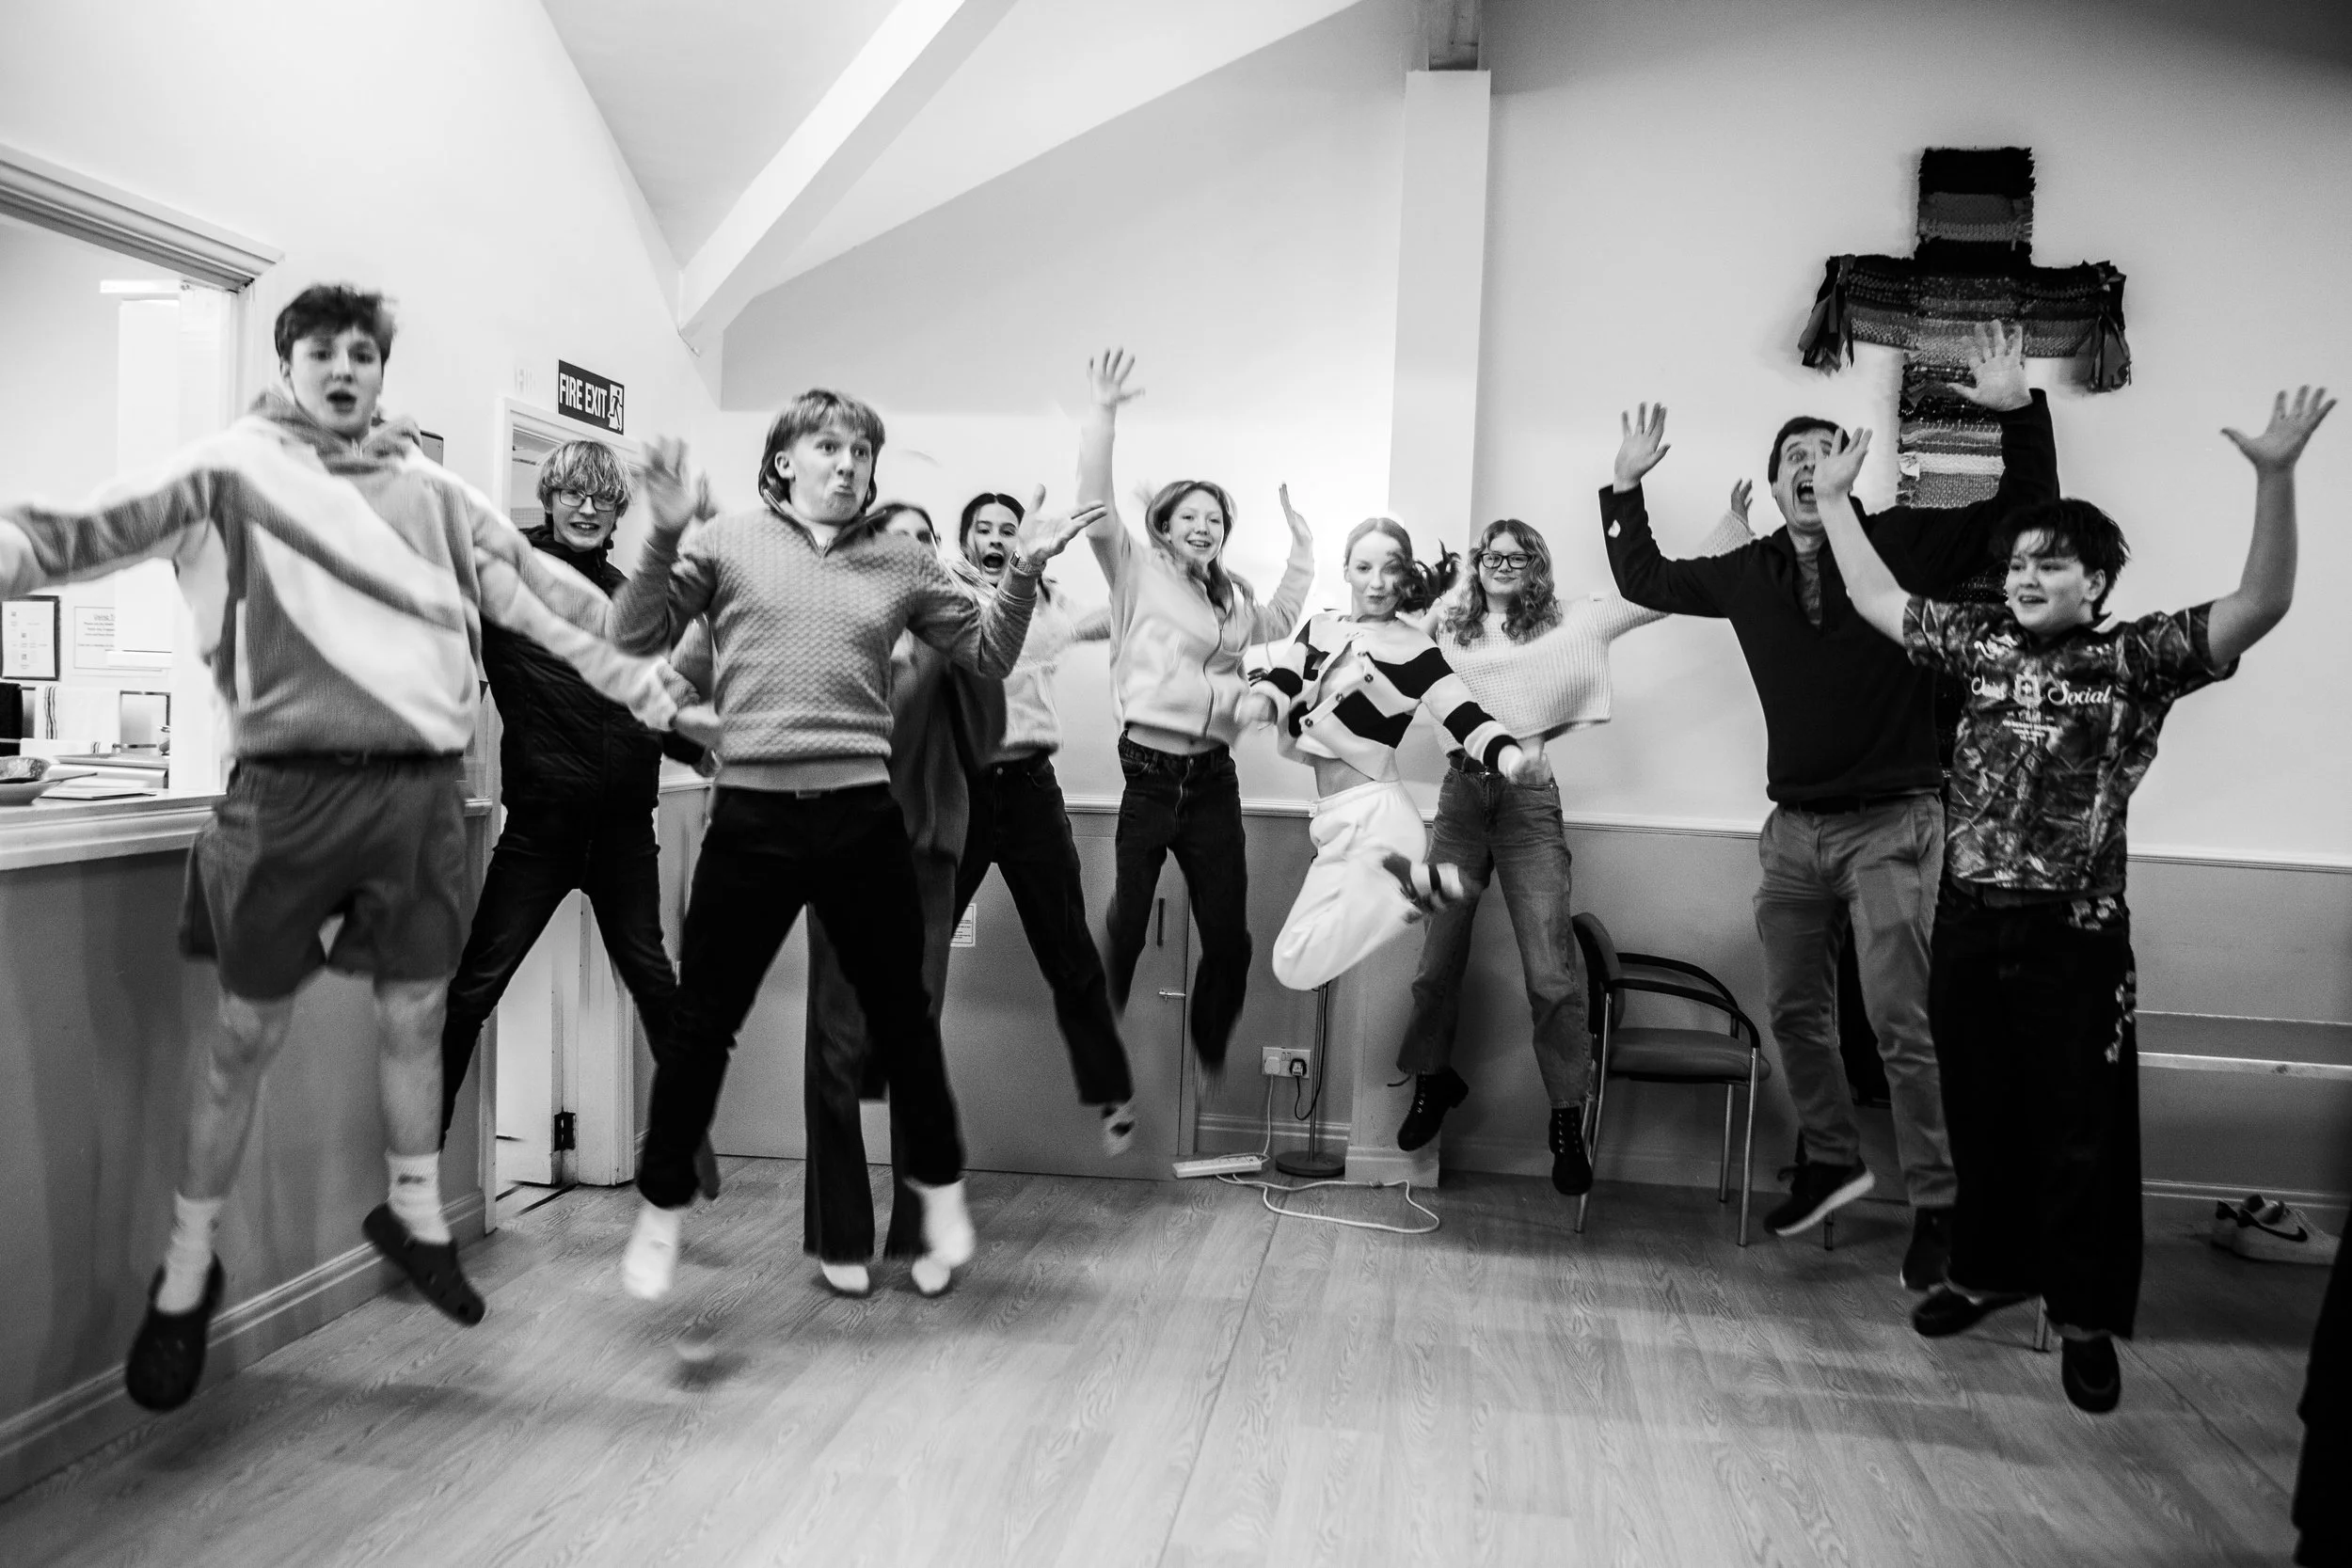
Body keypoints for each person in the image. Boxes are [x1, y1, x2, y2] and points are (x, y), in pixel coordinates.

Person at [0, 283, 705, 1412]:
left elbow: (590, 622)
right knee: (260, 1029)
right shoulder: (232, 472)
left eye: (362, 353)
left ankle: (425, 1209)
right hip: (318, 797)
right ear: (288, 365)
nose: (342, 369)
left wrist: (667, 607)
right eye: (321, 351)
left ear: (381, 370)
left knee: (439, 1008)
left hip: (455, 804)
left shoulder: (442, 502)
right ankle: (188, 1267)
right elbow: (66, 535)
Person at [1809, 386, 2330, 1412]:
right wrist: (1833, 503)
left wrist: (2274, 476)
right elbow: (1876, 599)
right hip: (1968, 918)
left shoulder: (2134, 657)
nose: (2024, 576)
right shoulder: (1977, 643)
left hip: (2075, 933)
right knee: (1978, 1111)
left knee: (2081, 1130)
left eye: (2048, 562)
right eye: (2016, 563)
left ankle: (2086, 1318)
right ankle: (1988, 1271)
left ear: (2094, 581)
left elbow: (2260, 604)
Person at [610, 392, 1099, 1303]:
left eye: (861, 451)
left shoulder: (902, 566)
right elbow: (634, 638)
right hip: (755, 815)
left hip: (872, 819)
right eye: (826, 446)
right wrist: (664, 532)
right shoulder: (729, 544)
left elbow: (990, 657)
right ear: (784, 459)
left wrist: (1025, 569)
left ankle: (926, 1220)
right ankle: (791, 1225)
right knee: (740, 1024)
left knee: (908, 1028)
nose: (846, 463)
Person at [1601, 322, 2054, 1290]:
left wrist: (2019, 411)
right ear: (1774, 488)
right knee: (1795, 1011)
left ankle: (1941, 1208)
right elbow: (1644, 577)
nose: (1808, 467)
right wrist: (1624, 487)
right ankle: (1833, 1159)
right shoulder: (1749, 570)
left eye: (1824, 451)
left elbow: (2026, 512)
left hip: (1894, 824)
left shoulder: (1901, 543)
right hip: (1793, 833)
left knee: (1901, 1027)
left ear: (1851, 465)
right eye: (1792, 460)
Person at [1391, 499, 1754, 1194]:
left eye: (1517, 555)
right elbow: (1382, 651)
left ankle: (1566, 1117)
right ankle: (1433, 1080)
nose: (1501, 564)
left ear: (1536, 566)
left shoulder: (1569, 620)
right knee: (1435, 965)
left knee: (1551, 976)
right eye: (1491, 554)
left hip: (1528, 804)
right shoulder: (1446, 626)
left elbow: (1651, 596)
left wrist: (1729, 530)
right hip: (1461, 799)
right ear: (1477, 564)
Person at [437, 438, 720, 1202]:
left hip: (625, 831)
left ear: (620, 511)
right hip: (542, 829)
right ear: (549, 498)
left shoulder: (636, 602)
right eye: (573, 493)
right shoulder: (504, 579)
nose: (588, 508)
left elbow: (658, 708)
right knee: (473, 990)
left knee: (657, 985)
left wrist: (706, 750)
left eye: (603, 498)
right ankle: (420, 1160)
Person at [1076, 350, 1314, 1071]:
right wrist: (1103, 414)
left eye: (1215, 518)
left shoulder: (1230, 597)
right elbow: (1096, 507)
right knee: (1126, 927)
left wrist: (1303, 551)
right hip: (1151, 772)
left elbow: (1277, 621)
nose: (1204, 526)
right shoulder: (1134, 571)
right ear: (1164, 526)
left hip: (1213, 779)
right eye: (1190, 516)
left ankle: (1209, 1053)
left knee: (1231, 941)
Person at [788, 501, 999, 1298]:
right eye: (895, 539)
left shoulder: (953, 633)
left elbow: (988, 734)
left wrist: (968, 630)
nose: (913, 551)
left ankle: (921, 1232)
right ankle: (840, 1233)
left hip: (924, 861)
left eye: (925, 541)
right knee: (836, 1047)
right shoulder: (831, 631)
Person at [1244, 515, 1537, 991]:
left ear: (1406, 575)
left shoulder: (1416, 648)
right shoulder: (1320, 626)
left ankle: (1408, 891)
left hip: (1377, 821)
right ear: (1346, 570)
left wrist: (1510, 758)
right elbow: (1286, 677)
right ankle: (1414, 890)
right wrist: (1259, 702)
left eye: (1391, 568)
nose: (1377, 583)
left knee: (1297, 965)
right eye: (1364, 567)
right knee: (1292, 963)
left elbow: (1467, 718)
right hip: (1332, 820)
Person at [949, 490, 1136, 1152]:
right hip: (960, 789)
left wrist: (1157, 578)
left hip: (1030, 788)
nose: (997, 539)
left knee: (1068, 947)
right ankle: (880, 1064)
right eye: (985, 529)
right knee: (918, 939)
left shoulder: (1049, 602)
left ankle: (1109, 1089)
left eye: (1009, 530)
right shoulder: (946, 596)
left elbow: (1115, 619)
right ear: (965, 539)